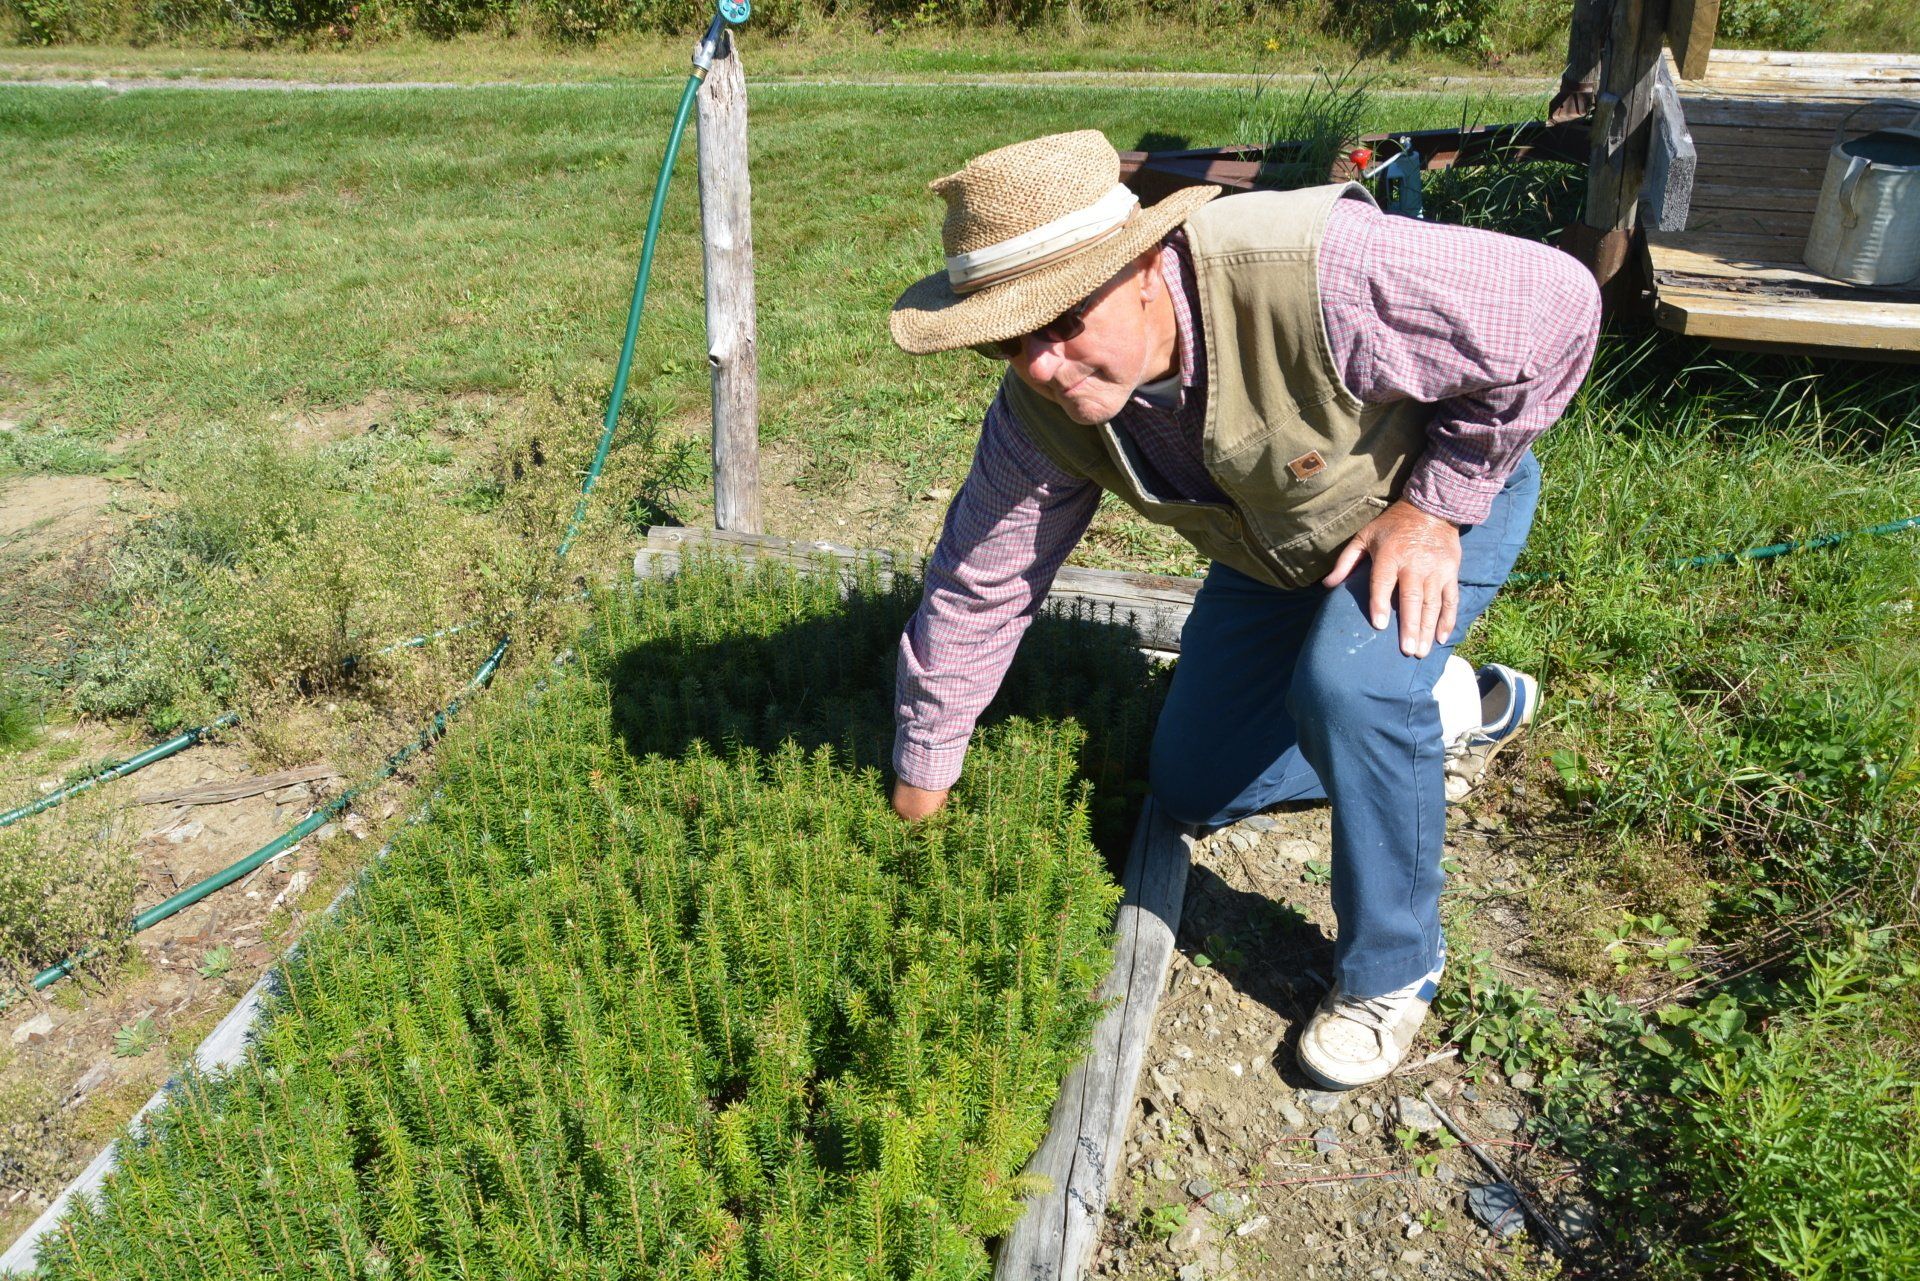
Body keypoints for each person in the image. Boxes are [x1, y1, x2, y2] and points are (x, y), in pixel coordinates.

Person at [884, 130, 1600, 1090]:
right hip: (1277, 554)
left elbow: (1558, 303)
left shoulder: (1314, 272)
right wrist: (922, 782)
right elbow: (982, 579)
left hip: (1430, 507)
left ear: (1142, 265)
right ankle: (1439, 709)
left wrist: (1435, 507)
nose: (1045, 366)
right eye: (1012, 342)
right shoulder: (1040, 416)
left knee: (1349, 685)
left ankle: (1393, 966)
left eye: (1062, 322)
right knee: (1191, 785)